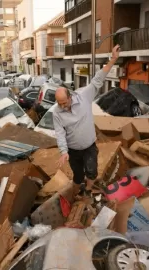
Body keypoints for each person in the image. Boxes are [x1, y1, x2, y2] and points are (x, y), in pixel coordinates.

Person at [53, 45, 121, 195]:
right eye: (59, 103)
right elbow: (60, 133)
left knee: (91, 171)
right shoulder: (56, 113)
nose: (63, 106)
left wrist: (113, 59)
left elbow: (98, 79)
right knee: (77, 175)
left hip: (89, 146)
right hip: (73, 150)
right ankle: (76, 193)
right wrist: (64, 152)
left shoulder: (84, 96)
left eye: (64, 102)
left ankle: (88, 191)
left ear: (70, 96)